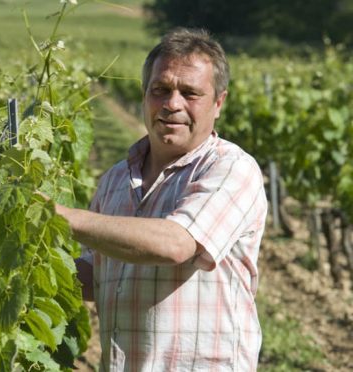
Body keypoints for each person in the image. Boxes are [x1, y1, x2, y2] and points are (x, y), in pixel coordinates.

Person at [54, 28, 267, 371]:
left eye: (190, 92)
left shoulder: (231, 169)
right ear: (144, 96)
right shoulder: (114, 180)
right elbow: (96, 275)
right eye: (160, 90)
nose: (172, 103)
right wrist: (3, 273)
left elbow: (177, 244)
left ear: (219, 103)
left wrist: (61, 216)